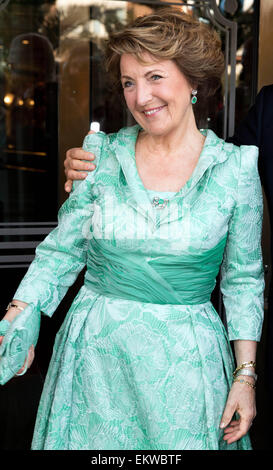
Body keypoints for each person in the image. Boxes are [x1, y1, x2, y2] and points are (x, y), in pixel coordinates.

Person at [0, 9, 264, 450]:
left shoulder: (235, 170)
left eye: (155, 77)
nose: (141, 97)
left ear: (193, 81)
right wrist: (19, 315)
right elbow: (61, 253)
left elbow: (243, 280)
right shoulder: (99, 157)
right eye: (128, 82)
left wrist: (246, 377)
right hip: (94, 363)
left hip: (186, 368)